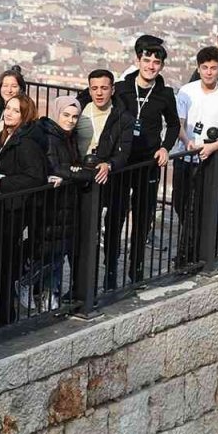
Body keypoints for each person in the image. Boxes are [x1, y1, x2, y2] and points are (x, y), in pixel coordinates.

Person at [105, 44, 178, 286]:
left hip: (148, 162)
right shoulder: (122, 88)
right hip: (122, 161)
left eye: (156, 63)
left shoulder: (165, 94)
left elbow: (174, 124)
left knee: (143, 217)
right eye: (147, 61)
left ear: (161, 66)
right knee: (115, 216)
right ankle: (110, 268)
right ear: (138, 61)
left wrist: (165, 147)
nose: (150, 66)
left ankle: (135, 268)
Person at [174, 47, 218, 264]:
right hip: (184, 156)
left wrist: (213, 147)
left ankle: (189, 254)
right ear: (198, 68)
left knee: (199, 207)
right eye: (204, 68)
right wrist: (186, 140)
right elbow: (178, 123)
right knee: (180, 203)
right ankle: (190, 249)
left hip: (209, 160)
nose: (209, 72)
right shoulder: (187, 91)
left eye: (213, 68)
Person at [0, 94, 47, 318]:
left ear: (25, 115)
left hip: (14, 210)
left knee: (4, 263)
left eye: (16, 110)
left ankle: (4, 314)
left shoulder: (26, 142)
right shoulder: (4, 136)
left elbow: (35, 177)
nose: (9, 113)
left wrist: (1, 183)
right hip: (1, 206)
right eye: (8, 108)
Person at [73, 69, 134, 288]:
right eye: (95, 88)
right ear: (89, 90)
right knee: (85, 231)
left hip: (112, 179)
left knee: (113, 228)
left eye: (104, 88)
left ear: (112, 90)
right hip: (83, 178)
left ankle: (110, 275)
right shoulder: (78, 112)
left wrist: (109, 164)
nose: (99, 93)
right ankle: (82, 284)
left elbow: (124, 152)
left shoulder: (123, 117)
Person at [38, 96, 92, 308]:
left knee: (58, 251)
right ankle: (43, 292)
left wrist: (73, 171)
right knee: (51, 252)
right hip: (53, 203)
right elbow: (55, 167)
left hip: (66, 202)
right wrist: (78, 174)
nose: (70, 120)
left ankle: (51, 293)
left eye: (74, 117)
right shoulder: (50, 136)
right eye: (66, 115)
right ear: (56, 113)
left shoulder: (68, 136)